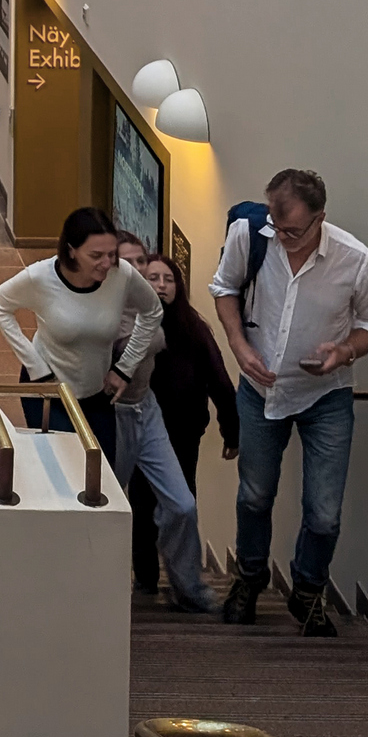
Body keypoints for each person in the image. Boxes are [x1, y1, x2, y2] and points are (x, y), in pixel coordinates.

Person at [211, 168, 368, 635]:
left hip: (326, 397)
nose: (282, 237)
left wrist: (343, 352)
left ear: (320, 219)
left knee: (325, 514)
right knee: (254, 496)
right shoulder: (250, 235)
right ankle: (249, 579)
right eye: (275, 224)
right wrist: (238, 346)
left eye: (292, 230)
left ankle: (308, 592)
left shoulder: (354, 259)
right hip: (260, 392)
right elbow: (224, 288)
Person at [0, 205, 161, 467]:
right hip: (48, 393)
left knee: (101, 472)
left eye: (112, 254)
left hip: (98, 394)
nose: (107, 263)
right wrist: (37, 368)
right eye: (96, 255)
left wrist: (125, 369)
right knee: (62, 468)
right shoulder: (40, 277)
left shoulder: (122, 274)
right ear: (71, 251)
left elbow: (152, 311)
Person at [109, 235, 217, 612]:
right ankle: (100, 594)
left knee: (182, 504)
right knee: (109, 508)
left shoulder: (150, 305)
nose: (139, 269)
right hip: (114, 415)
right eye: (128, 262)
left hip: (148, 411)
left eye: (141, 260)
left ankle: (188, 589)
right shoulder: (102, 311)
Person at [129, 251, 239, 597]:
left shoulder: (194, 329)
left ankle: (183, 585)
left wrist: (231, 431)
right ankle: (146, 579)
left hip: (183, 433)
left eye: (169, 279)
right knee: (141, 506)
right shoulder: (129, 324)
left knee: (182, 505)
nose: (162, 286)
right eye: (153, 279)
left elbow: (220, 381)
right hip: (139, 429)